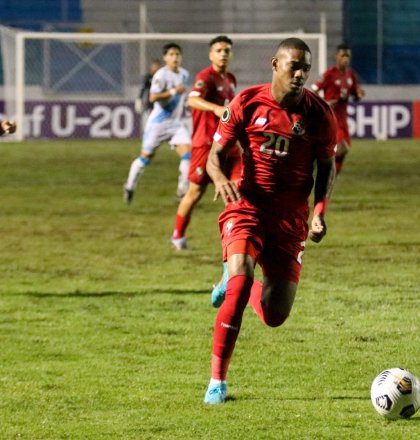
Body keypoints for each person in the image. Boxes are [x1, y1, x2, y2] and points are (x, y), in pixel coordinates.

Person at [202, 37, 337, 405]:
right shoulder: (245, 102)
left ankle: (234, 281)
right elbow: (214, 157)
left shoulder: (319, 115)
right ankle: (217, 381)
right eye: (294, 65)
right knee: (242, 282)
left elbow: (326, 169)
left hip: (291, 218)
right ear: (274, 64)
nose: (300, 74)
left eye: (305, 68)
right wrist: (219, 178)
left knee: (276, 315)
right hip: (247, 206)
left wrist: (319, 213)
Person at [170, 35, 239, 252]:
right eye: (218, 50)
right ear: (211, 55)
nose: (223, 54)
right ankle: (178, 235)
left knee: (239, 189)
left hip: (227, 145)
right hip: (205, 145)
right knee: (195, 193)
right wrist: (215, 108)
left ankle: (237, 238)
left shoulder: (230, 79)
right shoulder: (206, 77)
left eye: (226, 50)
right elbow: (192, 99)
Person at [123, 42, 191, 205]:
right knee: (145, 158)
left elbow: (181, 96)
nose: (175, 57)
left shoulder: (184, 74)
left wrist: (186, 101)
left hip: (175, 123)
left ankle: (182, 191)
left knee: (188, 154)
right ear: (165, 58)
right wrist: (174, 91)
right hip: (158, 124)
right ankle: (130, 186)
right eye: (171, 54)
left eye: (177, 54)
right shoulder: (160, 75)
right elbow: (153, 98)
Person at [311, 43, 364, 173]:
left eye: (347, 56)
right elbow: (313, 91)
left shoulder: (351, 75)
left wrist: (359, 95)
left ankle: (331, 175)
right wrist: (324, 103)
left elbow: (356, 95)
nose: (345, 58)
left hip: (343, 119)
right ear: (337, 57)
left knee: (344, 151)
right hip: (331, 118)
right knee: (342, 148)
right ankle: (319, 165)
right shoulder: (330, 74)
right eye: (342, 55)